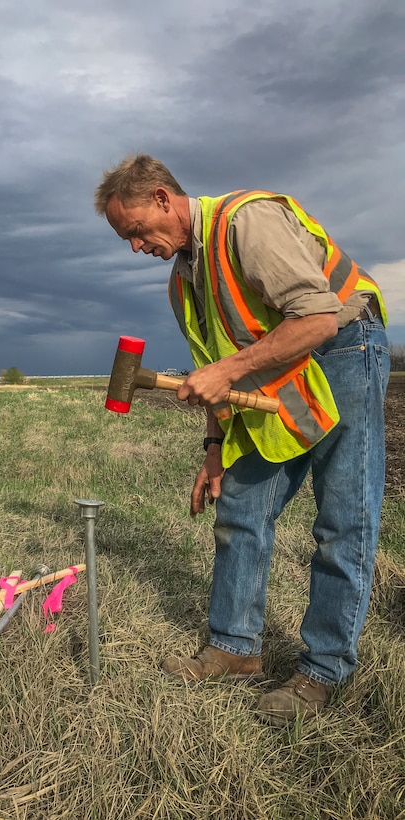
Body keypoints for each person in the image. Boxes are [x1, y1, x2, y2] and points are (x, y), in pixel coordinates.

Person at [94, 154, 390, 726]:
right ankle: (234, 647)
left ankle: (322, 670)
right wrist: (213, 451)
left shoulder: (245, 222)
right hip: (275, 372)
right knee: (240, 504)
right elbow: (211, 371)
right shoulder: (184, 281)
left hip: (344, 350)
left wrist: (228, 374)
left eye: (134, 231)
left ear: (161, 198)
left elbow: (318, 320)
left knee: (342, 521)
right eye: (125, 240)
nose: (135, 247)